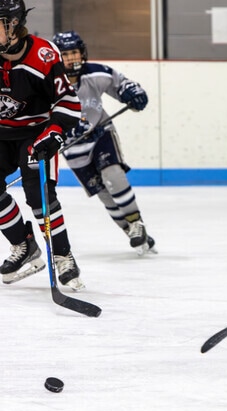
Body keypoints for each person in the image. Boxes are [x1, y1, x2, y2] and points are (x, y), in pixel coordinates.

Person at [0, 0, 84, 289]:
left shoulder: (42, 54)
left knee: (38, 194)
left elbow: (68, 101)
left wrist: (55, 130)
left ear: (13, 25)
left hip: (35, 133)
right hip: (1, 133)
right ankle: (24, 246)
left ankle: (62, 255)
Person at [52, 30, 156, 255]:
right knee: (102, 193)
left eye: (75, 52)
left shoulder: (95, 73)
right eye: (66, 54)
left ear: (82, 53)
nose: (71, 58)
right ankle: (131, 231)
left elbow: (121, 84)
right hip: (72, 146)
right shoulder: (48, 83)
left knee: (113, 174)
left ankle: (137, 222)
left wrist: (132, 93)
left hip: (100, 133)